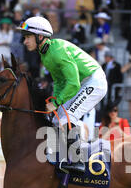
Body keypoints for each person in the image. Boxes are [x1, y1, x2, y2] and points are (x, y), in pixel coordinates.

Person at [17, 16, 108, 173]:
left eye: (28, 37)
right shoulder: (45, 55)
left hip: (94, 81)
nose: (25, 41)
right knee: (58, 117)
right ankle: (63, 156)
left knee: (67, 117)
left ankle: (78, 160)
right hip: (83, 82)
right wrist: (55, 101)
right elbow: (59, 82)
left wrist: (57, 101)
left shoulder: (57, 51)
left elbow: (73, 83)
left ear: (40, 37)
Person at [99, 102, 130, 188]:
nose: (113, 113)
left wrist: (118, 129)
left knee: (120, 181)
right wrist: (111, 130)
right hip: (107, 153)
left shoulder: (123, 122)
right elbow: (101, 139)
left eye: (115, 110)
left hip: (120, 153)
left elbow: (128, 137)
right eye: (111, 111)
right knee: (106, 179)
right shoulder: (104, 123)